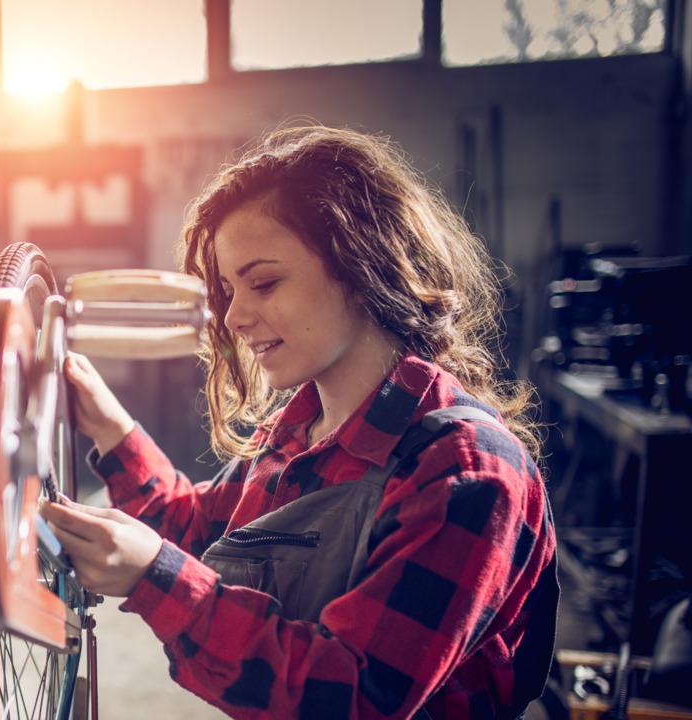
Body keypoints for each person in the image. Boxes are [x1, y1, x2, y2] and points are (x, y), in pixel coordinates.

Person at [41, 125, 558, 720]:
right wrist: (111, 428)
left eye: (264, 282)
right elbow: (201, 533)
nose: (234, 316)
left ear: (363, 267)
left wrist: (152, 577)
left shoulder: (467, 472)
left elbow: (351, 697)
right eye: (229, 290)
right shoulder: (302, 431)